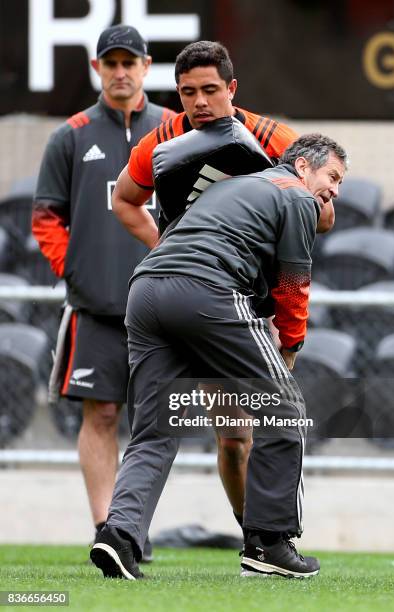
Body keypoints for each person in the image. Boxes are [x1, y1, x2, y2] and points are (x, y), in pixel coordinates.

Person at [90, 132, 347, 579]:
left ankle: (120, 536)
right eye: (333, 176)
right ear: (303, 167)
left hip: (146, 289)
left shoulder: (232, 186)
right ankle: (269, 545)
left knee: (152, 430)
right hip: (205, 290)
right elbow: (292, 287)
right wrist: (289, 349)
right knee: (284, 410)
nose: (336, 191)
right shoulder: (295, 197)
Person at [110, 40, 335, 534]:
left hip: (247, 304)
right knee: (224, 433)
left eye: (210, 90)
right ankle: (257, 536)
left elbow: (324, 214)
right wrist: (169, 247)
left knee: (239, 436)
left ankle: (255, 536)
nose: (199, 103)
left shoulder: (273, 138)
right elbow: (125, 201)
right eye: (188, 92)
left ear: (232, 89)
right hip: (195, 296)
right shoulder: (161, 141)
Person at [32, 24, 175, 559]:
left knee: (157, 422)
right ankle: (105, 529)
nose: (120, 72)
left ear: (145, 66)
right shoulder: (70, 136)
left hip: (164, 306)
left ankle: (132, 526)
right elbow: (46, 217)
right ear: (97, 69)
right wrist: (76, 270)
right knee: (103, 415)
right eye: (110, 63)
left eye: (129, 62)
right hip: (97, 307)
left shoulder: (174, 129)